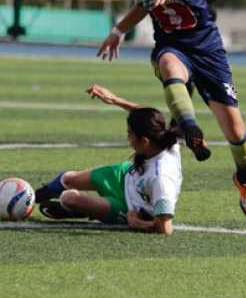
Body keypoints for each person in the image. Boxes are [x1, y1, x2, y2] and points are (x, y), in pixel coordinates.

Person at [97, 0, 246, 219]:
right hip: (171, 45)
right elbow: (142, 7)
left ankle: (245, 180)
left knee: (235, 130)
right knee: (169, 64)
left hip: (207, 49)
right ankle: (190, 128)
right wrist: (118, 31)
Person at [34, 84, 182, 235]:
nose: (128, 138)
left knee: (69, 198)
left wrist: (136, 222)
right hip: (124, 174)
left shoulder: (161, 180)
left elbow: (165, 229)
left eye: (130, 134)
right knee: (67, 178)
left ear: (144, 141)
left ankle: (81, 211)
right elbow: (148, 117)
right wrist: (115, 100)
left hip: (127, 207)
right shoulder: (164, 137)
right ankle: (32, 197)